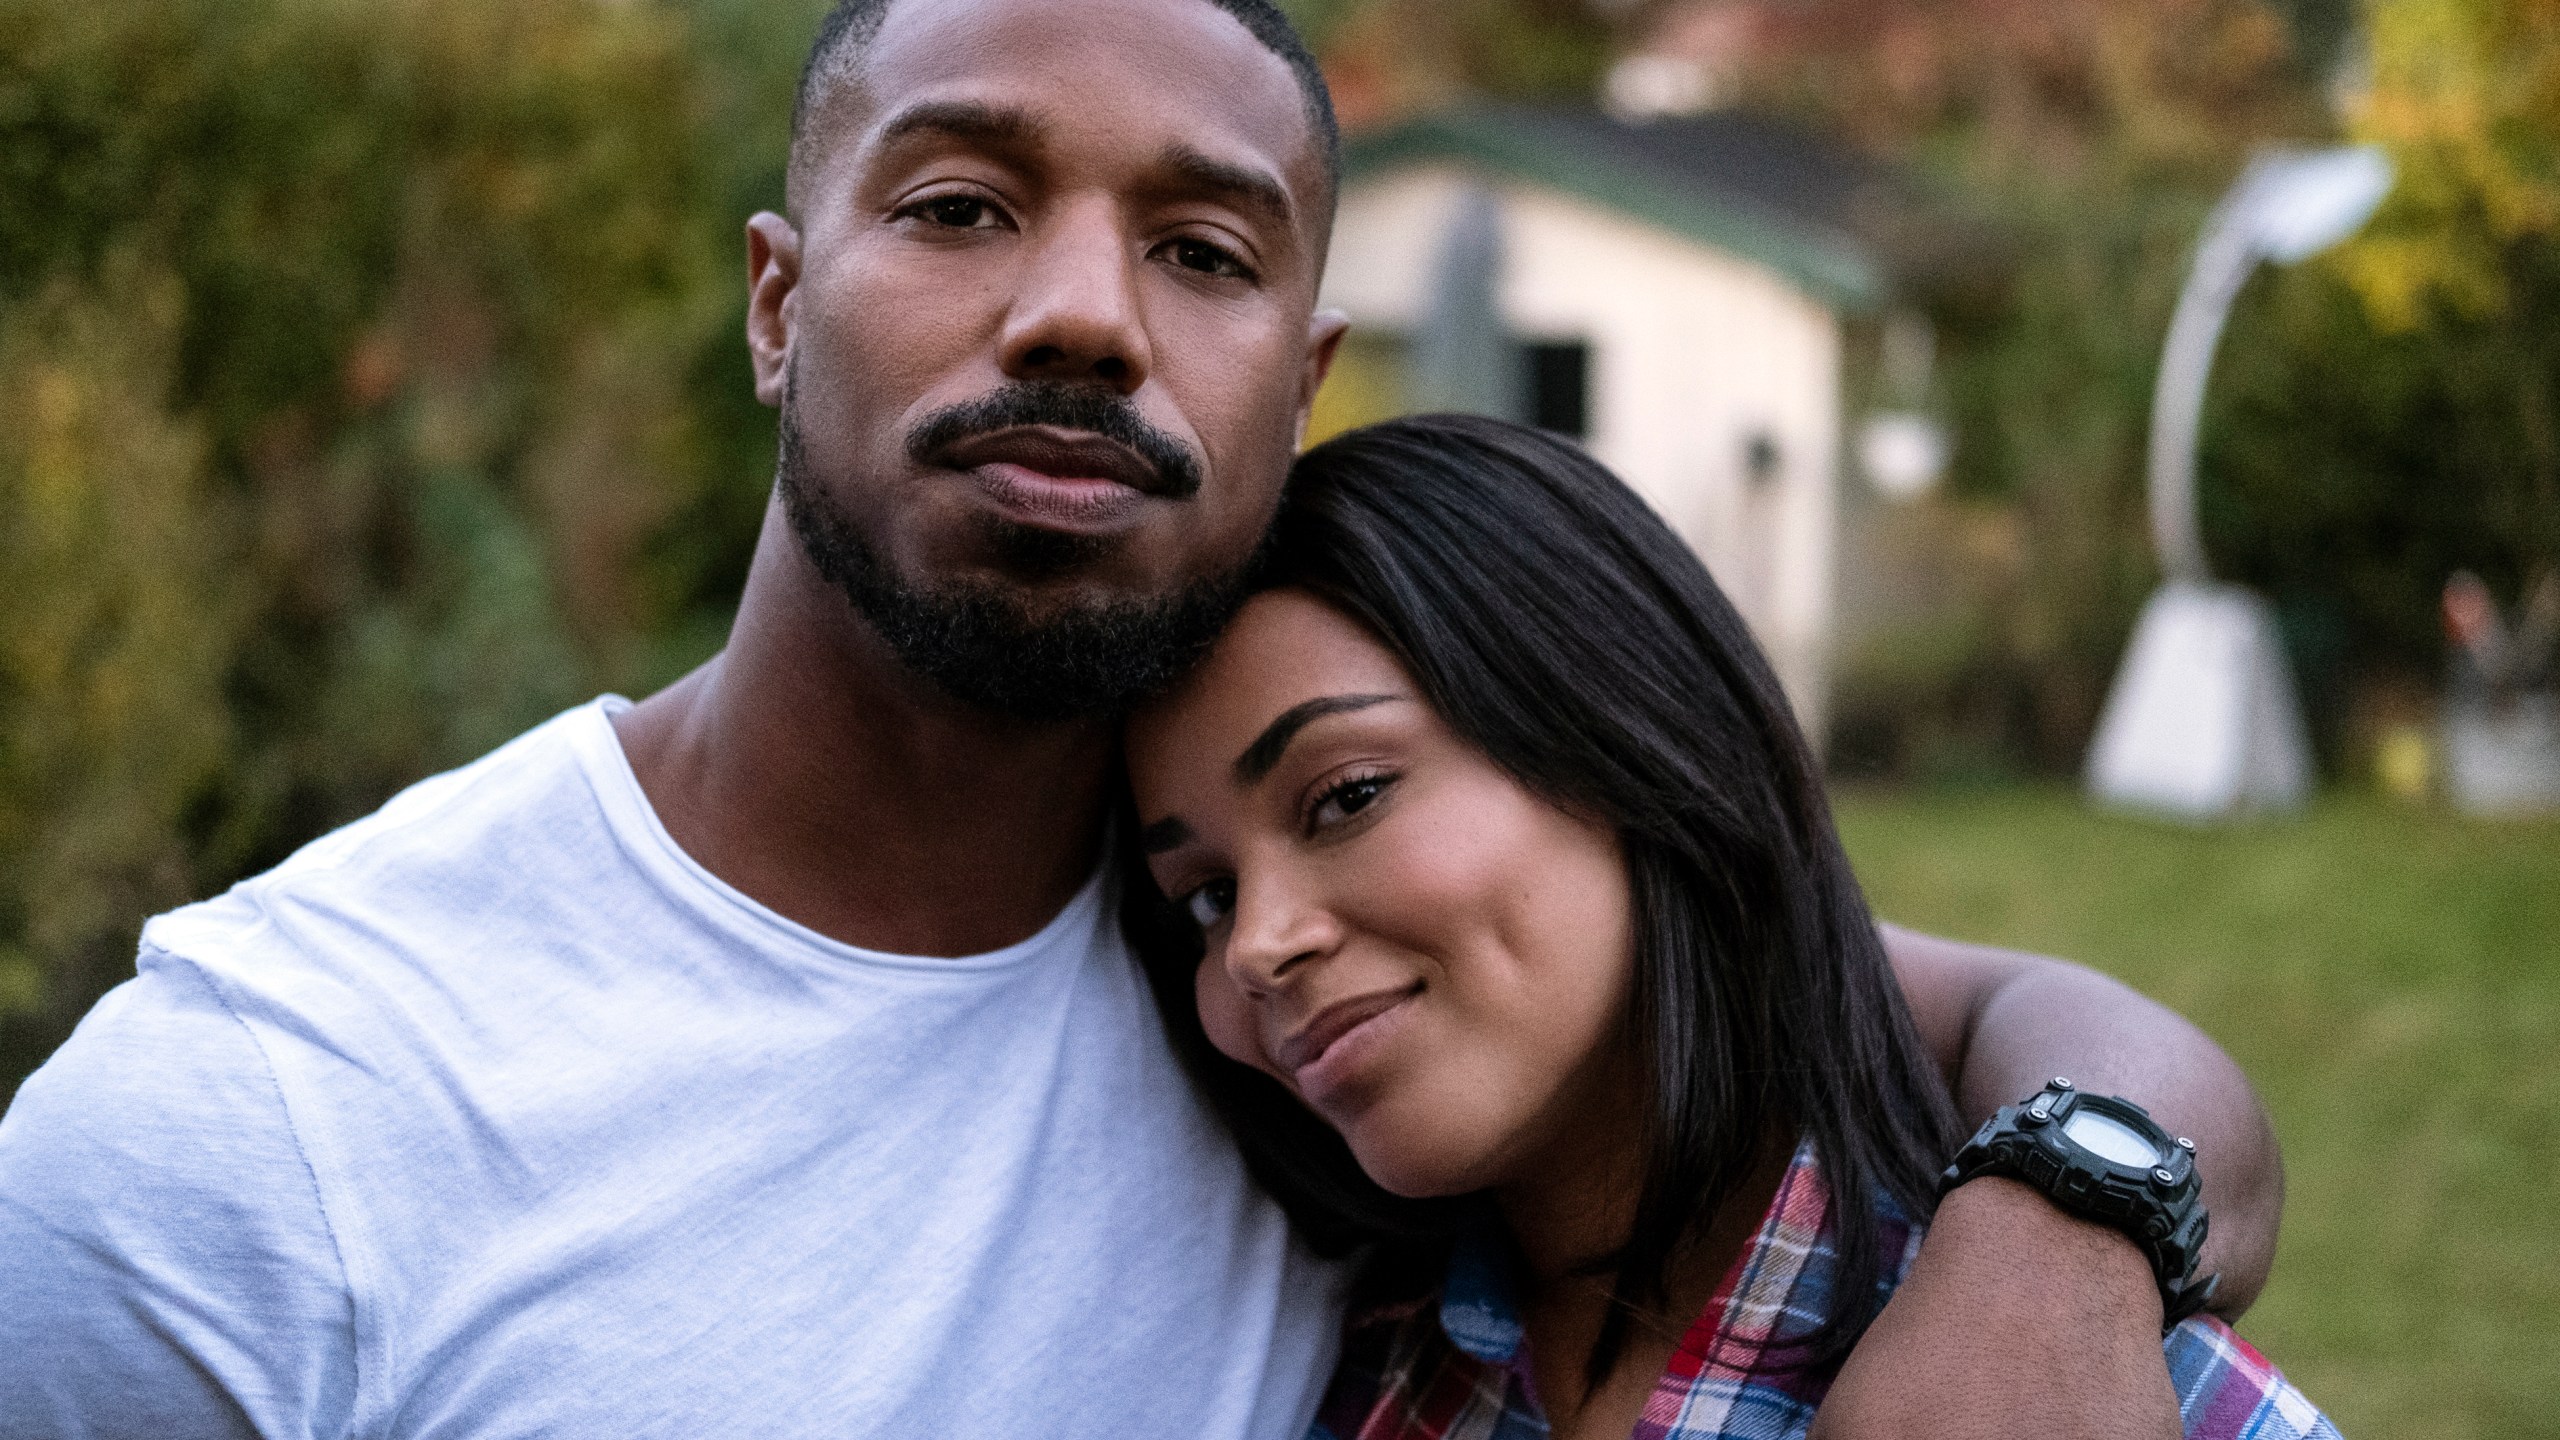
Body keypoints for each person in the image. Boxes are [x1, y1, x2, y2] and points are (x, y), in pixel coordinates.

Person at [0, 0, 2279, 1435]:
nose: (1082, 312)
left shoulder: (1322, 969)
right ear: (779, 306)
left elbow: (1967, 1016)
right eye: (965, 203)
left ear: (1297, 386)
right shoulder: (254, 1130)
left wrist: (2045, 1247)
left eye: (1199, 250)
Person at [1124, 414, 2337, 1440]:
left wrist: (2055, 1240)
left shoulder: (2055, 1376)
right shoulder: (1363, 1366)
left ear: (1623, 736)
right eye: (1208, 896)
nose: (1255, 946)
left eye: (1347, 796)